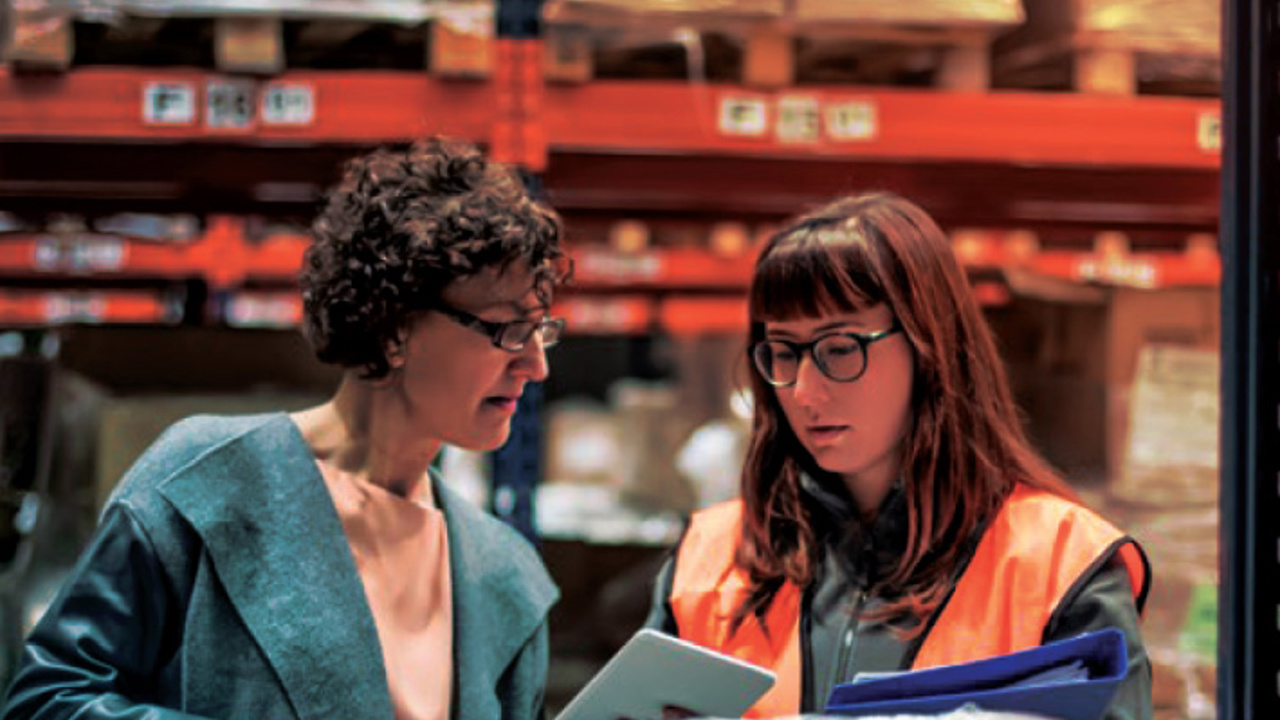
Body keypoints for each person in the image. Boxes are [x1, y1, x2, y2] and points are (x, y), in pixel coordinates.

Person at [2, 137, 570, 720]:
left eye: (542, 331)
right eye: (505, 329)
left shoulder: (504, 575)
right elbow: (46, 704)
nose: (534, 365)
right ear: (394, 327)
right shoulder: (206, 484)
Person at [644, 192, 1152, 719]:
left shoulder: (1060, 563)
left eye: (839, 348)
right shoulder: (710, 559)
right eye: (784, 351)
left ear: (929, 345)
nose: (803, 391)